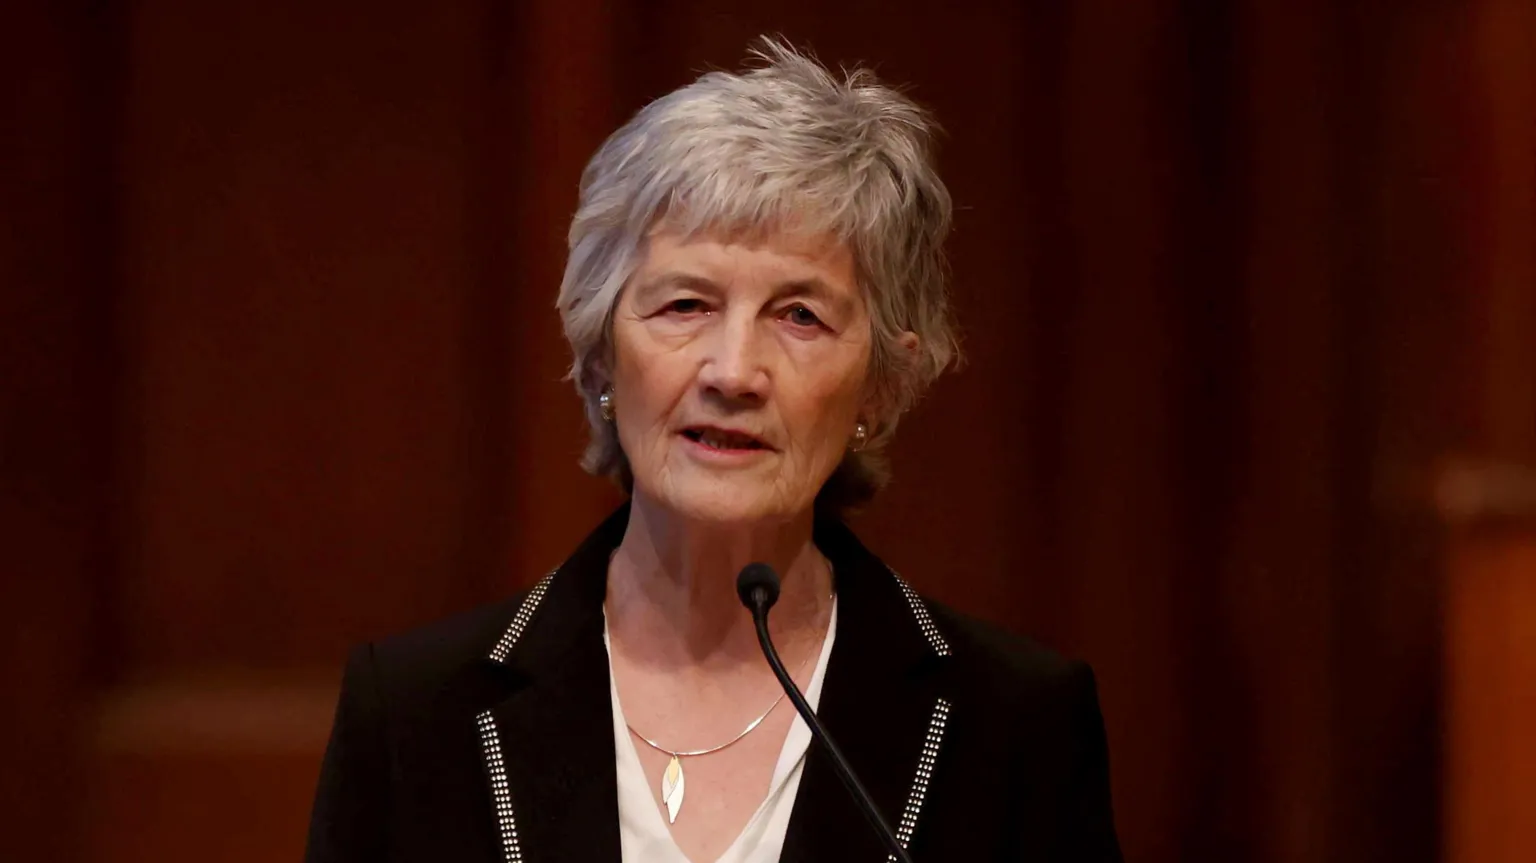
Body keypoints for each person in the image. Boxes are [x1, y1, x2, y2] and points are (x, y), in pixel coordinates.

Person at [305, 37, 1121, 863]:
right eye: (687, 304)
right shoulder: (417, 716)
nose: (734, 372)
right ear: (600, 356)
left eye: (800, 315)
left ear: (879, 384)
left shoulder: (1014, 727)